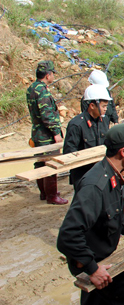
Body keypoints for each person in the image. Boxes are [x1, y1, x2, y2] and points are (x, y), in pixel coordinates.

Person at [57, 122, 124, 305]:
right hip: (91, 261)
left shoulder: (113, 173)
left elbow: (115, 211)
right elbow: (68, 235)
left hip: (101, 257)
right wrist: (93, 269)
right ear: (123, 151)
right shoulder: (95, 185)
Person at [26, 60, 68, 205]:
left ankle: (44, 193)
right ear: (48, 75)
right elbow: (47, 115)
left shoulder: (32, 88)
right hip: (46, 134)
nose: (53, 77)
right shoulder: (42, 91)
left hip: (37, 131)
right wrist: (56, 133)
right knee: (50, 163)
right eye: (52, 74)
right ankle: (51, 196)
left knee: (40, 163)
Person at [64, 85, 112, 190]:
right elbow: (69, 153)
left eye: (106, 106)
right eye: (103, 106)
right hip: (83, 174)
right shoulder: (77, 124)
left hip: (101, 171)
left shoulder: (104, 121)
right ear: (92, 106)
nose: (106, 109)